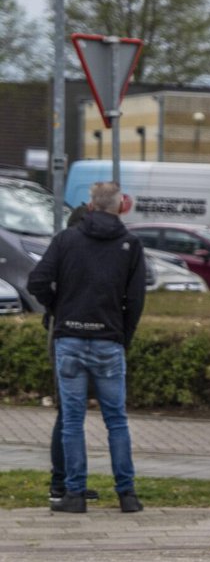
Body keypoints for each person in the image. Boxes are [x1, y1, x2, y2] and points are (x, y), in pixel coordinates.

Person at [27, 182, 147, 513]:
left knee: (72, 420)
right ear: (120, 206)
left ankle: (74, 493)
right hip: (109, 339)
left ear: (90, 206)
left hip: (70, 337)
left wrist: (59, 307)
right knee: (116, 420)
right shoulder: (130, 244)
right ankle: (127, 494)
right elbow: (136, 299)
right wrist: (123, 335)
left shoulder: (66, 240)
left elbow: (37, 281)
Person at [46, 202, 100, 505]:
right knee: (68, 412)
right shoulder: (71, 253)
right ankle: (62, 482)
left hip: (64, 331)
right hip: (68, 336)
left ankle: (69, 481)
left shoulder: (65, 252)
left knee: (70, 412)